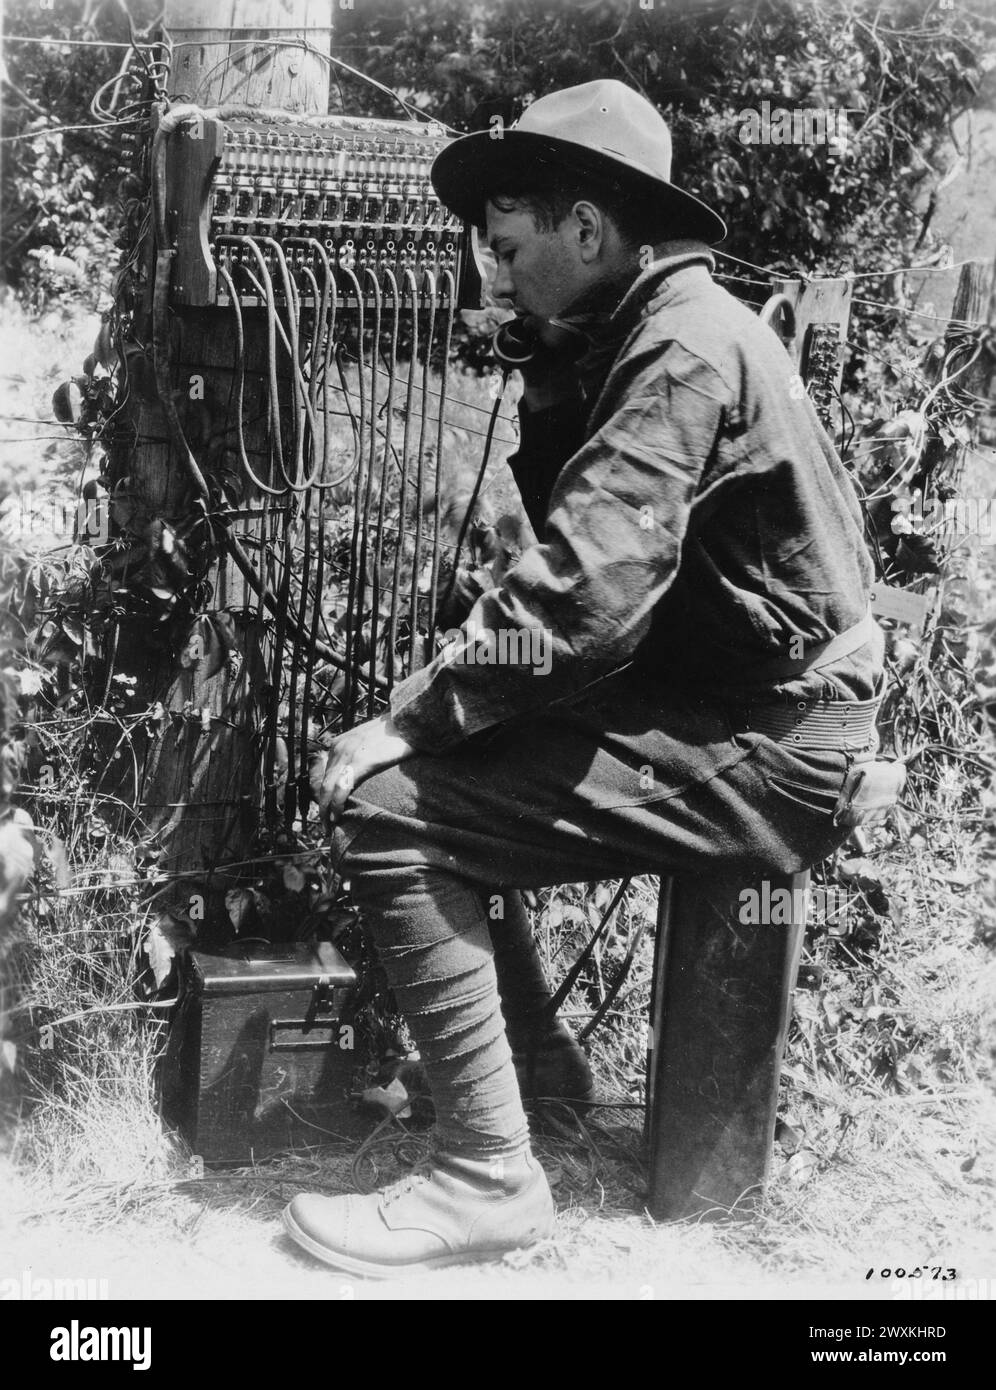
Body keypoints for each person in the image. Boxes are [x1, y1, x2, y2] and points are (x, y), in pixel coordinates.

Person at [282, 79, 884, 1278]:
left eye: (508, 248)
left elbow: (584, 601)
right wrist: (553, 371)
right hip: (750, 707)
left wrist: (407, 715)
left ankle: (484, 1174)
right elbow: (602, 570)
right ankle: (545, 1084)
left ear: (589, 230)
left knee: (391, 810)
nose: (495, 278)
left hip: (773, 739)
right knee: (448, 764)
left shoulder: (679, 353)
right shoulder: (666, 327)